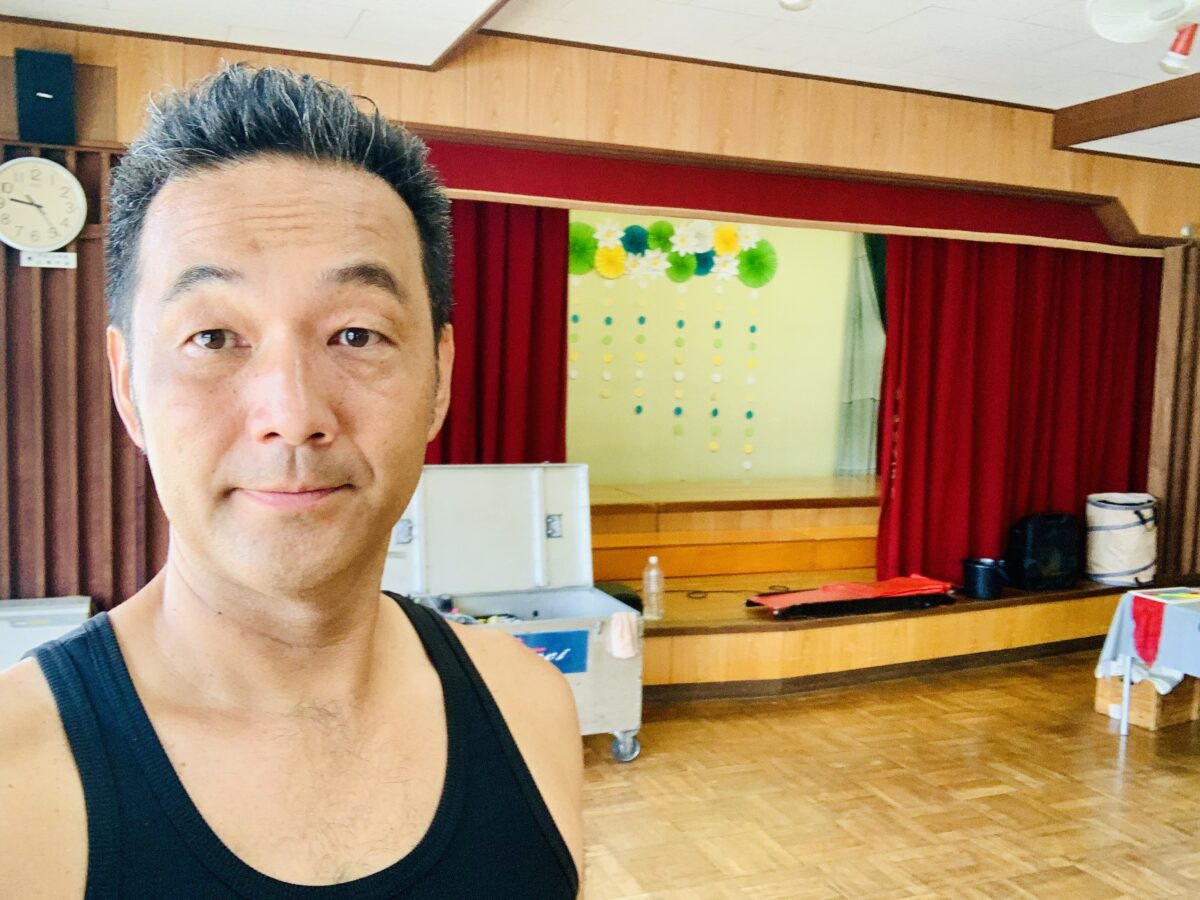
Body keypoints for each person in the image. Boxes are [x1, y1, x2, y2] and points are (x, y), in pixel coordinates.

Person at [0, 65, 583, 898]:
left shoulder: (530, 704)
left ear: (440, 377)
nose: (294, 413)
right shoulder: (16, 783)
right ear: (128, 387)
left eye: (356, 333)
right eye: (212, 337)